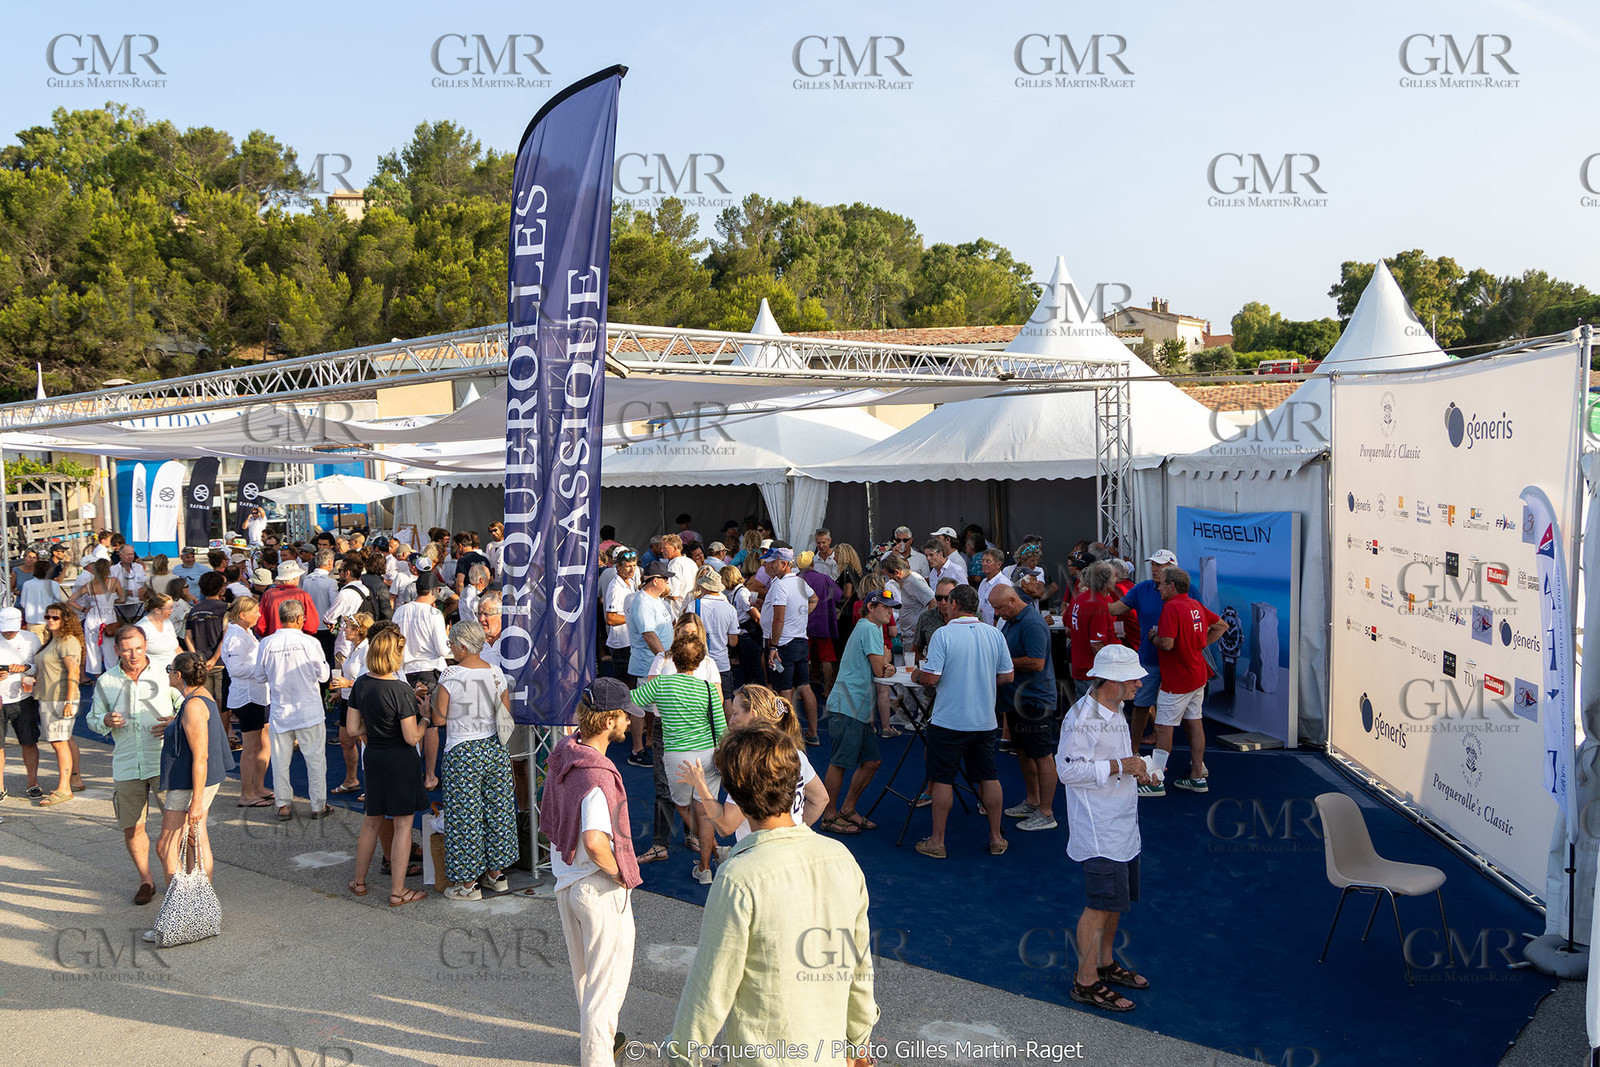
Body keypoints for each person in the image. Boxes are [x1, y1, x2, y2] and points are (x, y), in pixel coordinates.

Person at [664, 726, 878, 1067]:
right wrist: (858, 1043)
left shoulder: (738, 878)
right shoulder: (842, 859)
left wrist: (682, 1055)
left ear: (736, 795)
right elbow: (859, 965)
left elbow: (711, 987)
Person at [542, 676, 641, 1067]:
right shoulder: (597, 776)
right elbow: (596, 840)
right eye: (624, 716)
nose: (630, 721)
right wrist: (619, 873)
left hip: (567, 882)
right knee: (606, 985)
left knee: (587, 981)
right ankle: (597, 1058)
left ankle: (600, 1042)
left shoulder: (565, 751)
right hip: (597, 888)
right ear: (607, 721)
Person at [1056, 644, 1154, 1013]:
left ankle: (1105, 962)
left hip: (1121, 825)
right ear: (1112, 680)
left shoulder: (1115, 708)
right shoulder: (1082, 718)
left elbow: (1115, 760)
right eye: (1133, 678)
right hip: (1099, 828)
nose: (1139, 683)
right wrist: (1121, 766)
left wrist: (1137, 768)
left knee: (1114, 902)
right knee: (1099, 905)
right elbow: (1068, 771)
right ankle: (1085, 982)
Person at [911, 584, 1014, 859]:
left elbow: (931, 677)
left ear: (954, 604)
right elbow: (1007, 676)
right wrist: (982, 681)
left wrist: (917, 675)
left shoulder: (943, 634)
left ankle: (938, 841)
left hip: (949, 720)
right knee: (989, 776)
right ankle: (996, 837)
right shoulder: (994, 634)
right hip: (984, 721)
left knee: (942, 779)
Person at [87, 626, 181, 903]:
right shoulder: (107, 681)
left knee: (176, 827)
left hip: (164, 761)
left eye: (139, 648)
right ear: (116, 650)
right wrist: (105, 720)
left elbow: (187, 706)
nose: (134, 654)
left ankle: (179, 882)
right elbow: (92, 718)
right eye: (127, 650)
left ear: (146, 645)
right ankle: (146, 881)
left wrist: (174, 722)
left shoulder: (165, 673)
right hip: (127, 764)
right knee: (133, 827)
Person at [428, 620, 517, 899]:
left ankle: (468, 885)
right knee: (497, 811)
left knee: (465, 816)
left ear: (463, 646)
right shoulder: (495, 672)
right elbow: (505, 712)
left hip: (462, 750)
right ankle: (496, 874)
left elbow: (439, 719)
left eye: (452, 644)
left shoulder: (451, 675)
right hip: (495, 747)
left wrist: (427, 703)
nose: (450, 648)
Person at [629, 633, 728, 884]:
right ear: (700, 660)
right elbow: (722, 729)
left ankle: (713, 854)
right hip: (708, 756)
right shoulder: (708, 688)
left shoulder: (661, 684)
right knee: (705, 811)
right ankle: (707, 864)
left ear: (672, 657)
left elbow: (632, 700)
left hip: (676, 757)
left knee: (682, 806)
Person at [345, 626, 430, 906]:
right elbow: (411, 737)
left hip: (374, 756)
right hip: (400, 760)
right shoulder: (401, 689)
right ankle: (398, 890)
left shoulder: (361, 683)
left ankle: (359, 882)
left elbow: (353, 728)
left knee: (371, 821)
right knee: (404, 824)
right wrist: (425, 718)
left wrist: (375, 729)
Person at [679, 684, 827, 841]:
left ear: (753, 715)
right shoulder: (795, 754)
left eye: (735, 713)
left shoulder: (749, 762)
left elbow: (725, 826)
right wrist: (794, 835)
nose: (730, 721)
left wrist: (700, 785)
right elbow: (820, 799)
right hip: (794, 848)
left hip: (760, 852)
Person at [819, 589, 897, 835]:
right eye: (885, 606)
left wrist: (885, 663)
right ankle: (829, 816)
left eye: (891, 607)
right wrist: (887, 658)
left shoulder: (867, 627)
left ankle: (847, 809)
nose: (890, 612)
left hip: (854, 707)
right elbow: (880, 670)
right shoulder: (871, 629)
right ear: (871, 607)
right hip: (849, 707)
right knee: (839, 763)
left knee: (872, 761)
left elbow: (880, 668)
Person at [155, 651, 228, 895]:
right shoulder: (201, 696)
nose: (168, 674)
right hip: (201, 780)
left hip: (190, 783)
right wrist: (175, 724)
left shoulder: (193, 705)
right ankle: (199, 901)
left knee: (166, 847)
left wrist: (196, 802)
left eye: (170, 670)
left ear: (178, 675)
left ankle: (179, 906)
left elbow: (201, 756)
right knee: (196, 839)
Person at [1149, 566, 1226, 796]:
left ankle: (1156, 781)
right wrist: (1199, 644)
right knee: (1194, 722)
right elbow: (1221, 625)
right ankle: (1197, 776)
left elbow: (1167, 644)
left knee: (1163, 728)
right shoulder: (1195, 604)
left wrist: (1153, 637)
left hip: (1177, 680)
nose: (1158, 588)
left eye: (1161, 583)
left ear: (1171, 585)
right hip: (1197, 675)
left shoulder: (1171, 608)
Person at [991, 585, 1060, 832]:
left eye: (999, 607)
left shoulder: (1031, 623)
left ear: (1012, 601)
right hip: (1018, 700)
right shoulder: (1013, 620)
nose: (997, 613)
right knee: (1023, 752)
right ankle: (1033, 802)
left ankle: (1046, 812)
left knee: (1042, 755)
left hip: (1035, 701)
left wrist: (1002, 663)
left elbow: (1036, 662)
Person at [258, 599, 332, 820]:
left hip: (281, 710)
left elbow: (259, 675)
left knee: (280, 760)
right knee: (315, 760)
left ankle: (283, 805)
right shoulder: (310, 642)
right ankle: (318, 805)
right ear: (300, 619)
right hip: (308, 710)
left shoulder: (267, 643)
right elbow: (324, 676)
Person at [1108, 549, 1177, 759]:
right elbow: (1114, 609)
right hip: (1149, 659)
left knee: (1188, 717)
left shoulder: (1188, 591)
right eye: (1153, 564)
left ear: (1172, 568)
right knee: (1141, 705)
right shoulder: (1143, 588)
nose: (1154, 569)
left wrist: (1197, 646)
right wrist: (1090, 599)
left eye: (1160, 565)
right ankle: (1133, 751)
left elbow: (1208, 622)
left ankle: (1195, 765)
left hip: (1176, 661)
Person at [394, 568, 450, 790]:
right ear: (434, 591)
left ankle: (411, 774)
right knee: (431, 725)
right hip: (429, 673)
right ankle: (429, 776)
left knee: (409, 722)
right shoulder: (434, 614)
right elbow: (443, 650)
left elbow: (395, 643)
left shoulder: (401, 611)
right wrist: (449, 638)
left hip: (405, 672)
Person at [757, 545, 817, 743]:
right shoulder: (800, 582)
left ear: (783, 564)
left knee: (784, 690)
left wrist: (773, 647)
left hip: (784, 644)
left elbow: (778, 619)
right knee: (804, 686)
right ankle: (812, 733)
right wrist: (801, 615)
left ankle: (788, 736)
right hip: (800, 640)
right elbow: (814, 599)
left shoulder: (781, 585)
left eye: (773, 562)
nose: (768, 565)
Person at [221, 596, 273, 807]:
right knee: (251, 747)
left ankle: (258, 787)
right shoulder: (235, 636)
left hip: (259, 695)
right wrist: (263, 669)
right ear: (242, 615)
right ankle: (246, 794)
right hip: (248, 697)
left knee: (264, 742)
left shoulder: (245, 632)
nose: (259, 614)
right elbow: (235, 669)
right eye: (255, 611)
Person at [34, 603, 85, 803]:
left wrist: (68, 701)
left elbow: (74, 672)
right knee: (66, 739)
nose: (50, 620)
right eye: (48, 617)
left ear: (65, 619)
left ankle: (64, 788)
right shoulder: (53, 640)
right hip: (50, 696)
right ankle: (75, 780)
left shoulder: (67, 641)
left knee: (58, 742)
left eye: (55, 617)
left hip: (59, 698)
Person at [624, 561, 674, 764]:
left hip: (657, 663)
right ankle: (637, 750)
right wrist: (664, 659)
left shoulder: (657, 600)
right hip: (649, 664)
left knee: (652, 706)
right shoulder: (643, 602)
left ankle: (650, 741)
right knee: (640, 706)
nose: (667, 582)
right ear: (655, 580)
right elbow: (649, 635)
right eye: (665, 579)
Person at [328, 612, 376, 796]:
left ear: (358, 630)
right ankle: (351, 780)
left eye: (347, 627)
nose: (343, 630)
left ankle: (372, 786)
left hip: (362, 702)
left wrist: (347, 684)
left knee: (366, 743)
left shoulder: (367, 649)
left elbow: (371, 679)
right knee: (346, 741)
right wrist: (340, 692)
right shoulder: (354, 647)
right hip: (348, 700)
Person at [0, 607, 44, 801]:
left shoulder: (31, 638)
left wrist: (25, 668)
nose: (9, 632)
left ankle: (33, 783)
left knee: (29, 742)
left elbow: (38, 666)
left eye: (12, 628)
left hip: (23, 698)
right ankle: (0, 787)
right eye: (5, 629)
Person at [183, 573, 232, 744]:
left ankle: (206, 738)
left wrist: (197, 659)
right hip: (220, 662)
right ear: (221, 589)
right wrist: (213, 659)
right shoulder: (226, 608)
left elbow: (188, 637)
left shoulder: (194, 609)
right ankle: (222, 739)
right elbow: (226, 638)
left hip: (200, 663)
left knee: (204, 700)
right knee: (222, 703)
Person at [685, 570, 740, 699]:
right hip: (722, 662)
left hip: (699, 662)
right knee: (726, 699)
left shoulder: (693, 606)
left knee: (700, 700)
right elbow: (733, 642)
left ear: (704, 587)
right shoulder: (730, 609)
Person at [1068, 562, 1119, 702]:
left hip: (1081, 668)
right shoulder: (1098, 604)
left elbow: (1069, 629)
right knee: (1096, 712)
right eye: (1114, 577)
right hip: (1093, 671)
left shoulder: (1080, 598)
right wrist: (1112, 669)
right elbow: (1096, 644)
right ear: (1106, 583)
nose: (1116, 580)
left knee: (1083, 709)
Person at [797, 550, 843, 700]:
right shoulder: (824, 578)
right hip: (823, 624)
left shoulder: (795, 580)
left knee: (803, 658)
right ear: (812, 564)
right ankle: (828, 689)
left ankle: (802, 692)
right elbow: (839, 596)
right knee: (826, 658)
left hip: (802, 626)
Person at [70, 558, 123, 675]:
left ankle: (97, 677)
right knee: (111, 651)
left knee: (92, 651)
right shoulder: (114, 582)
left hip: (92, 617)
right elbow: (122, 598)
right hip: (109, 618)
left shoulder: (88, 585)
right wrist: (113, 600)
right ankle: (112, 676)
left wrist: (84, 609)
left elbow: (70, 600)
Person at [602, 548, 640, 681]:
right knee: (625, 684)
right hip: (621, 645)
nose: (632, 569)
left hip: (630, 641)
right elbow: (611, 618)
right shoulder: (616, 588)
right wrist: (633, 617)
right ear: (618, 566)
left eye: (634, 566)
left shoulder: (630, 582)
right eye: (628, 566)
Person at [136, 594, 182, 677]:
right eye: (169, 608)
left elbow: (177, 648)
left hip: (173, 671)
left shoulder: (168, 623)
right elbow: (137, 655)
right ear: (157, 610)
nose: (171, 611)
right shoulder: (142, 627)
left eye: (172, 607)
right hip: (154, 674)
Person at [20, 559, 65, 640]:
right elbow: (57, 603)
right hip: (50, 620)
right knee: (50, 644)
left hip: (33, 620)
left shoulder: (27, 584)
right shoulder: (54, 584)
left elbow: (23, 603)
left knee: (35, 645)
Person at [659, 534, 696, 620]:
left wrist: (657, 591)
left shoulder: (674, 564)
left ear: (675, 548)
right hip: (690, 610)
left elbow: (673, 594)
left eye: (665, 548)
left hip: (678, 613)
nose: (662, 550)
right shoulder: (691, 562)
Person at [974, 549, 1013, 626]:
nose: (984, 564)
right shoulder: (983, 582)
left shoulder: (1002, 583)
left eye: (988, 561)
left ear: (998, 564)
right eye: (982, 561)